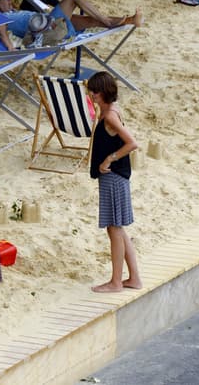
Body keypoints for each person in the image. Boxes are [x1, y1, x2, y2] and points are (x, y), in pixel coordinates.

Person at [86, 71, 142, 293]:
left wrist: (109, 158)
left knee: (114, 229)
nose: (90, 95)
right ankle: (134, 278)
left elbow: (132, 143)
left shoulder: (110, 115)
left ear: (100, 93)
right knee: (117, 228)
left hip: (113, 176)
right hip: (115, 176)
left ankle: (116, 282)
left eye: (93, 91)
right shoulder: (110, 110)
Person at [0, 0, 143, 50]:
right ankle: (108, 22)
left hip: (50, 24)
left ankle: (130, 20)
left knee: (90, 20)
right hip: (48, 30)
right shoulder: (2, 16)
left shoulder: (12, 13)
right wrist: (10, 48)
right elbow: (1, 31)